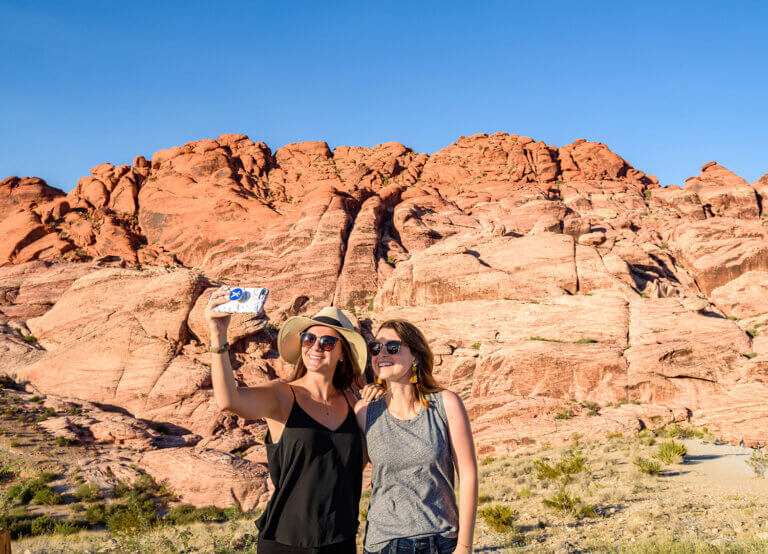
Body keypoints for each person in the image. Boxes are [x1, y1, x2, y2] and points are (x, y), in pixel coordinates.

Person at [205, 292, 369, 554]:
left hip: (340, 541)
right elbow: (228, 400)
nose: (315, 347)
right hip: (285, 542)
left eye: (327, 342)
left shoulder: (355, 403)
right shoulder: (282, 395)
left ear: (342, 354)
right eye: (309, 338)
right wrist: (218, 337)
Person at [359, 319, 478, 554]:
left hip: (441, 541)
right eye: (375, 347)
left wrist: (465, 546)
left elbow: (468, 474)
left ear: (415, 356)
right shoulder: (365, 411)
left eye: (392, 347)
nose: (381, 353)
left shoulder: (446, 404)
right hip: (384, 544)